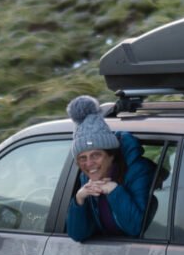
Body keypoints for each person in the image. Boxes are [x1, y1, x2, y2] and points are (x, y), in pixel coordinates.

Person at [65, 95, 156, 242]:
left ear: (111, 155)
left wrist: (115, 191)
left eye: (96, 155)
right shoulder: (87, 179)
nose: (89, 164)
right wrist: (79, 199)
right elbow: (78, 235)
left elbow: (136, 228)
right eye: (83, 158)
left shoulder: (137, 171)